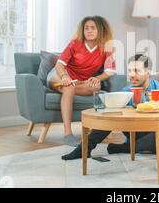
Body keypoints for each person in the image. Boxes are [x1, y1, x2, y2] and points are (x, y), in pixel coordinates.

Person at [61, 54, 159, 161]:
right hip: (137, 132)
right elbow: (112, 115)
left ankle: (125, 148)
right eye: (129, 71)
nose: (132, 75)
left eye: (136, 71)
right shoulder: (126, 92)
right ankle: (84, 149)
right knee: (110, 115)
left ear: (148, 71)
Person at [47, 16, 116, 147]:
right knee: (69, 87)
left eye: (93, 28)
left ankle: (97, 129)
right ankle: (68, 134)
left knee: (96, 87)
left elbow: (109, 71)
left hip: (78, 81)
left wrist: (97, 78)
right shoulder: (75, 43)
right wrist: (64, 77)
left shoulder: (107, 48)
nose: (89, 31)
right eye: (86, 28)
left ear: (100, 30)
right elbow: (59, 65)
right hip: (59, 75)